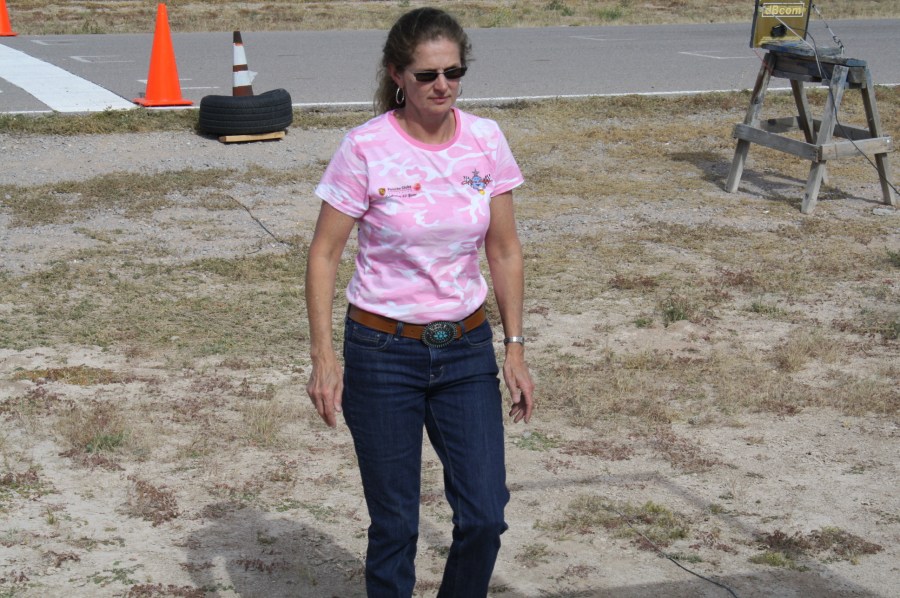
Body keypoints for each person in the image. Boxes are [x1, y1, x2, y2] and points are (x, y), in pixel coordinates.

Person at [304, 7, 534, 597]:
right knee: (396, 526)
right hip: (383, 351)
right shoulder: (365, 147)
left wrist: (514, 347)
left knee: (484, 515)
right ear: (397, 75)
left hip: (465, 349)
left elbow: (504, 249)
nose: (442, 86)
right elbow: (324, 254)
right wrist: (324, 358)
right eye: (427, 74)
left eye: (453, 73)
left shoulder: (486, 140)